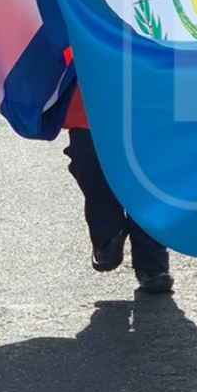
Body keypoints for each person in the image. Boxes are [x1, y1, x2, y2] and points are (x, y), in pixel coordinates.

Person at [61, 90, 174, 293]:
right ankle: (108, 232)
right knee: (88, 158)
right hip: (92, 90)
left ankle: (152, 264)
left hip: (147, 87)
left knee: (146, 171)